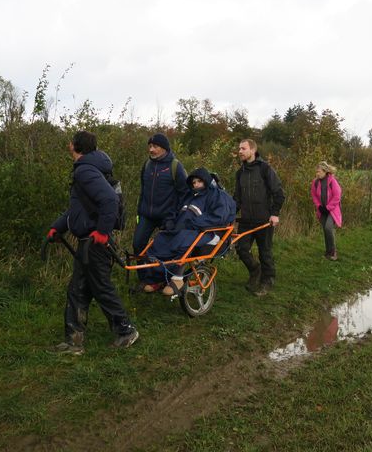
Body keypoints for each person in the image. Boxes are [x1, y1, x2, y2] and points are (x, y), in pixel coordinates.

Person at [47, 131, 138, 355]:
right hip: (89, 242)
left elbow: (108, 200)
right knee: (78, 290)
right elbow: (78, 209)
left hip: (95, 244)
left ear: (75, 146)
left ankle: (125, 330)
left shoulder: (85, 170)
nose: (68, 144)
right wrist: (58, 226)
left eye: (70, 141)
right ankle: (74, 341)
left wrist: (102, 232)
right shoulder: (87, 169)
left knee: (100, 288)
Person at [139, 167, 236, 296]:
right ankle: (155, 279)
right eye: (194, 182)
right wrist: (169, 221)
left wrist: (196, 223)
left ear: (206, 180)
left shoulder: (217, 195)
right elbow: (174, 211)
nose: (196, 185)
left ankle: (177, 278)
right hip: (181, 229)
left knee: (181, 242)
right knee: (159, 240)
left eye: (199, 181)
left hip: (207, 231)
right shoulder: (188, 196)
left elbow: (219, 216)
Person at [132, 133, 189, 288]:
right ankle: (145, 279)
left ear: (164, 148)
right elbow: (143, 191)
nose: (151, 149)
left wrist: (176, 216)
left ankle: (163, 279)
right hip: (146, 215)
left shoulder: (175, 166)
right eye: (150, 146)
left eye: (155, 146)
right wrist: (139, 212)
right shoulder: (146, 165)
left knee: (165, 250)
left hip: (167, 217)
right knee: (138, 245)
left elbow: (185, 193)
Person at [233, 139, 285, 296]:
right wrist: (230, 215)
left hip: (264, 220)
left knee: (265, 252)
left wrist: (275, 214)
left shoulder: (265, 169)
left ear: (253, 150)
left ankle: (267, 282)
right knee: (241, 249)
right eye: (239, 149)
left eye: (243, 148)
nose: (240, 151)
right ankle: (255, 270)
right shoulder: (240, 173)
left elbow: (279, 193)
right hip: (246, 220)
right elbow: (237, 198)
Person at [310, 161, 342, 260]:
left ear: (325, 171)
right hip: (322, 210)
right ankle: (328, 251)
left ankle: (333, 253)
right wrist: (319, 206)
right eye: (316, 172)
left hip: (332, 210)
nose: (317, 174)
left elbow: (337, 196)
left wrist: (328, 208)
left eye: (319, 171)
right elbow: (314, 195)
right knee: (325, 230)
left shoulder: (332, 181)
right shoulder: (315, 182)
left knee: (328, 228)